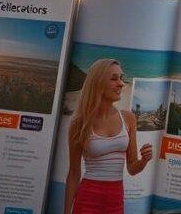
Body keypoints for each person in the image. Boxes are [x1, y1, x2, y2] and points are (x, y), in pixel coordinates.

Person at [64, 59, 153, 214]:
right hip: (87, 200)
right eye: (114, 79)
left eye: (121, 78)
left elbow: (132, 168)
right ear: (97, 83)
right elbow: (73, 173)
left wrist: (144, 160)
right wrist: (66, 211)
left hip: (115, 201)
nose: (121, 84)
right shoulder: (79, 124)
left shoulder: (128, 119)